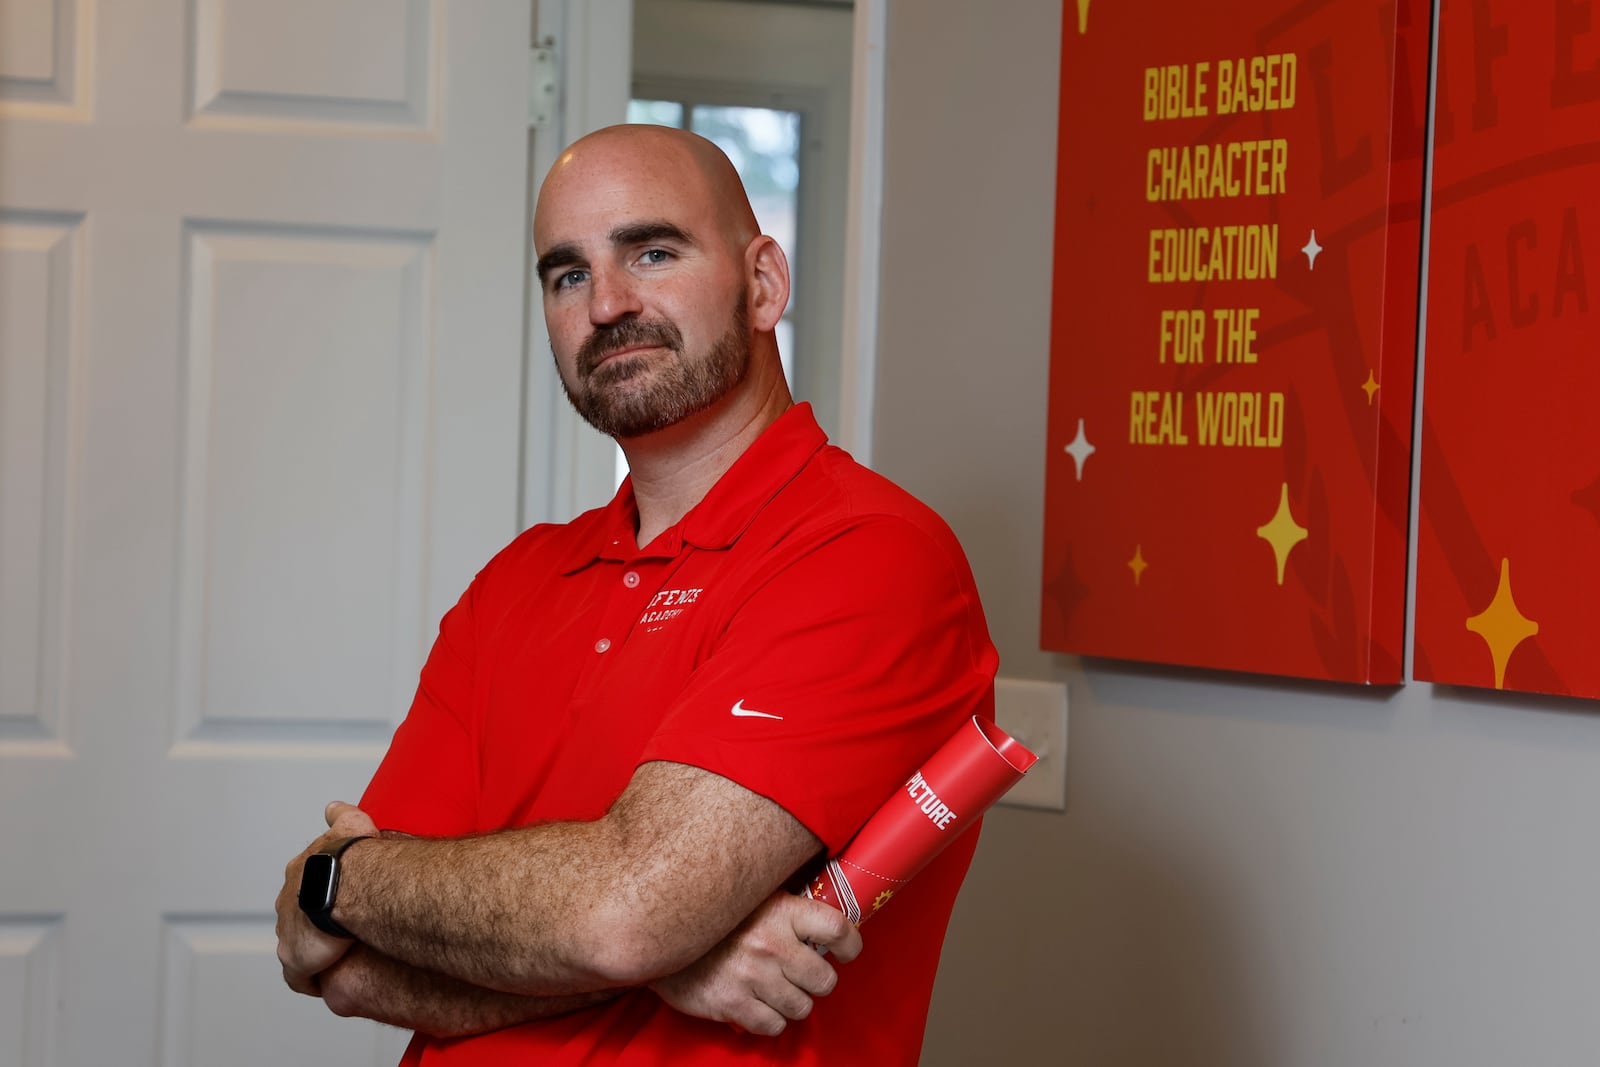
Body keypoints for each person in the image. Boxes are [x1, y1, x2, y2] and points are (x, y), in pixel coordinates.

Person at [274, 123, 998, 1066]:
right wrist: (665, 962)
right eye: (566, 274)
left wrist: (341, 875)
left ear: (764, 283)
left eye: (651, 251)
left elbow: (623, 914)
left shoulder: (871, 555)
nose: (607, 303)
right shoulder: (517, 583)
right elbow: (340, 962)